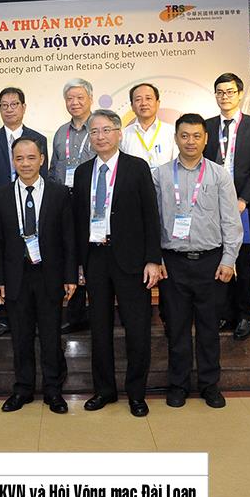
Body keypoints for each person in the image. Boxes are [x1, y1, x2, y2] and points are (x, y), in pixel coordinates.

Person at [72, 110, 162, 417]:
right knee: (99, 329)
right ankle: (104, 390)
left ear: (119, 133)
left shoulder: (136, 168)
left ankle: (136, 393)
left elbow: (151, 215)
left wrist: (153, 259)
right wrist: (79, 264)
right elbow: (77, 220)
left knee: (137, 328)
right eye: (94, 131)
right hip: (95, 258)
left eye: (106, 130)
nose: (100, 136)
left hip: (131, 260)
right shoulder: (82, 173)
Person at [155, 113, 243, 409]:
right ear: (176, 138)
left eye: (196, 136)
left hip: (210, 262)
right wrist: (156, 258)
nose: (190, 141)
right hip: (173, 263)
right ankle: (178, 385)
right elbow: (153, 221)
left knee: (208, 328)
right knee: (176, 328)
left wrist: (228, 259)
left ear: (206, 139)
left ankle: (209, 385)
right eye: (184, 135)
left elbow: (231, 221)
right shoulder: (161, 175)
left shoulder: (219, 175)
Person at [0, 137, 77, 414]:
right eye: (19, 158)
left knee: (51, 336)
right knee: (21, 336)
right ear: (13, 162)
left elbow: (69, 238)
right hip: (16, 276)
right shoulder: (1, 196)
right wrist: (0, 279)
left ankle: (53, 390)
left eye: (31, 158)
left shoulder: (59, 193)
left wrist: (70, 276)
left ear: (42, 159)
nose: (25, 164)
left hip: (49, 275)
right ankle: (23, 389)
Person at [202, 73, 250, 341]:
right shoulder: (207, 126)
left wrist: (243, 199)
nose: (225, 96)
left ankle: (244, 315)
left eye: (230, 91)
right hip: (213, 206)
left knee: (243, 261)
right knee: (218, 258)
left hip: (243, 205)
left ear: (240, 94)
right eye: (220, 92)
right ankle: (225, 311)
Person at [0, 87, 48, 337]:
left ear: (23, 107)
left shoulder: (38, 138)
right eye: (4, 105)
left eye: (14, 104)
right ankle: (4, 317)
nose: (9, 109)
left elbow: (43, 174)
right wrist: (4, 202)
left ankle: (36, 315)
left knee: (31, 262)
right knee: (1, 258)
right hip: (0, 211)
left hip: (31, 210)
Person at [49, 79, 96, 335]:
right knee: (70, 254)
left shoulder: (100, 128)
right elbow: (53, 169)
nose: (74, 102)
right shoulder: (60, 133)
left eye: (79, 97)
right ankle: (75, 314)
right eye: (70, 98)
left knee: (91, 256)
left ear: (90, 98)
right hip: (63, 203)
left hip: (91, 203)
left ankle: (95, 312)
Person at [120, 83, 177, 170]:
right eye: (138, 99)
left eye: (148, 98)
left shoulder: (172, 132)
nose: (144, 103)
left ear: (157, 103)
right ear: (132, 106)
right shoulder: (123, 135)